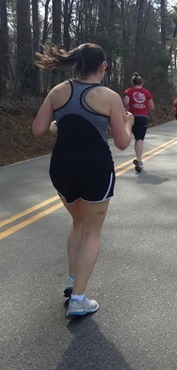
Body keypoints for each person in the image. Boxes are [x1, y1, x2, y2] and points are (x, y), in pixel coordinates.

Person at [31, 43, 134, 317]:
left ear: (76, 63)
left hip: (62, 168)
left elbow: (39, 129)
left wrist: (59, 125)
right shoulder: (109, 97)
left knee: (77, 221)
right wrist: (129, 123)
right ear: (104, 67)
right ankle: (78, 299)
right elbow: (123, 143)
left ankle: (71, 280)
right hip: (95, 168)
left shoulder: (58, 91)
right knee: (92, 231)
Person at [123, 72, 154, 172]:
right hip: (142, 117)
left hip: (131, 117)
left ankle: (138, 158)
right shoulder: (146, 92)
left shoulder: (129, 91)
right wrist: (144, 107)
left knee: (133, 137)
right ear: (142, 83)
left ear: (132, 83)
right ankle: (139, 160)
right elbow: (152, 107)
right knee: (139, 139)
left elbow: (126, 102)